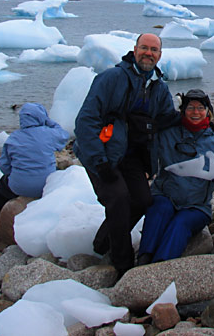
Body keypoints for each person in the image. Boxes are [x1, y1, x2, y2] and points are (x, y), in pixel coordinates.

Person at [74, 33, 179, 275]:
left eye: (153, 50)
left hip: (131, 155)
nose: (148, 53)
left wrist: (196, 121)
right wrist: (99, 161)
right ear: (134, 49)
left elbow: (165, 119)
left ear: (159, 55)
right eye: (144, 48)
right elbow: (86, 120)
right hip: (103, 153)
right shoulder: (112, 78)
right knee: (118, 198)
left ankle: (103, 242)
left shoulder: (158, 88)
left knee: (143, 200)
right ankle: (122, 266)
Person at [136, 89, 214, 265]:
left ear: (208, 111)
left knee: (180, 223)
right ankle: (143, 259)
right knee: (159, 210)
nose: (195, 112)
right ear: (183, 110)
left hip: (196, 207)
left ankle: (160, 266)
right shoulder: (167, 134)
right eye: (190, 107)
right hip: (165, 195)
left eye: (200, 107)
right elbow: (143, 140)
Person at [0, 103, 69, 228]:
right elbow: (64, 135)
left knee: (2, 185)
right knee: (59, 173)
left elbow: (3, 166)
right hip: (46, 184)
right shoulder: (49, 134)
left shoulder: (13, 138)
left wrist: (17, 172)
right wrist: (48, 121)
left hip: (19, 187)